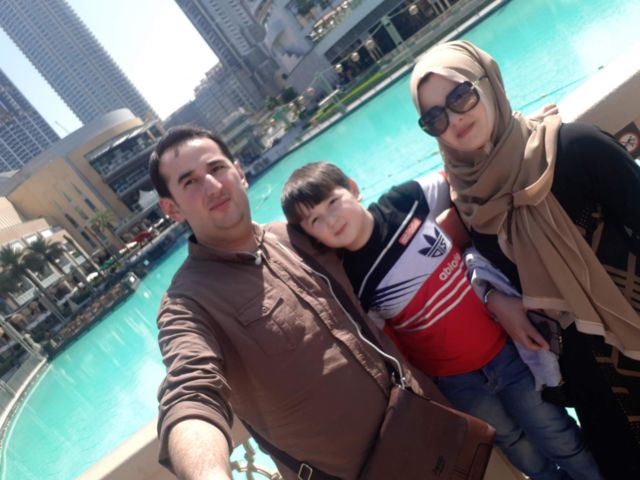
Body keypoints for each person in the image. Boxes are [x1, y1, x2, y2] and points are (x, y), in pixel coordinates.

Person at [149, 126, 477, 480]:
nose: (213, 186)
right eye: (190, 182)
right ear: (172, 208)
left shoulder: (293, 234)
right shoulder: (187, 303)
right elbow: (190, 393)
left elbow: (377, 244)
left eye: (217, 168)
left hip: (436, 431)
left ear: (239, 172)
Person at [282, 161, 601, 480]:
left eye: (333, 202)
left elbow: (461, 182)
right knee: (517, 447)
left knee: (559, 435)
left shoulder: (407, 200)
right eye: (315, 220)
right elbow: (390, 344)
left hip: (506, 349)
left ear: (352, 188)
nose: (331, 220)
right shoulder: (353, 280)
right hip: (458, 383)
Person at [409, 39, 640, 479]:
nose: (454, 119)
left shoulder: (574, 148)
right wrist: (492, 296)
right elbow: (473, 259)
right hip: (589, 376)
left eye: (461, 96)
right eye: (434, 117)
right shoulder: (471, 202)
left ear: (489, 83)